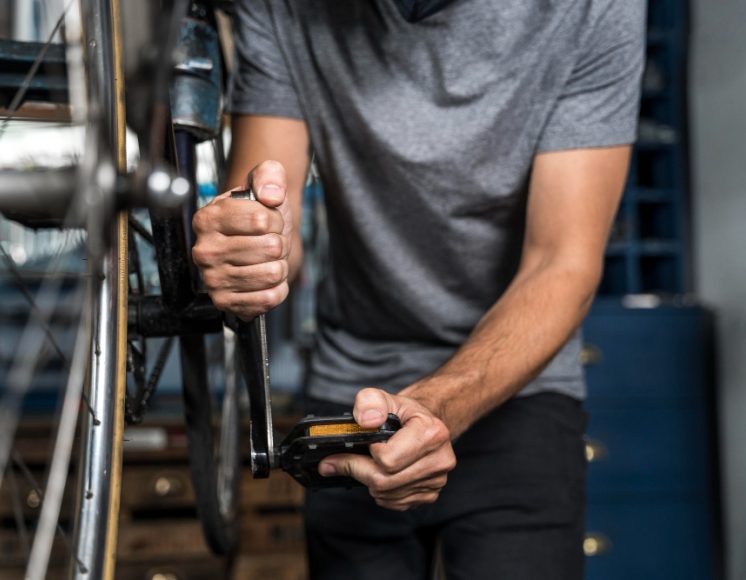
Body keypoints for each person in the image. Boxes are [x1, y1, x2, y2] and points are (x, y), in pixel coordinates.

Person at [191, 1, 645, 578]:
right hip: (356, 392)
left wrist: (435, 407)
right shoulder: (283, 7)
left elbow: (561, 262)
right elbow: (267, 208)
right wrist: (248, 246)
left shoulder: (592, 9)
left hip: (519, 390)